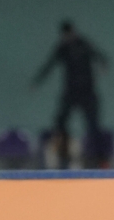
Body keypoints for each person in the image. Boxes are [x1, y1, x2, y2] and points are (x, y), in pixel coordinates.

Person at [36, 20, 106, 168]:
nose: (68, 38)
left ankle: (98, 159)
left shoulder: (84, 44)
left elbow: (100, 57)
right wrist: (37, 81)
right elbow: (50, 65)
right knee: (60, 122)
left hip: (87, 91)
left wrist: (102, 65)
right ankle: (64, 155)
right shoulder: (63, 48)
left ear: (73, 32)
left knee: (93, 126)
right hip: (71, 91)